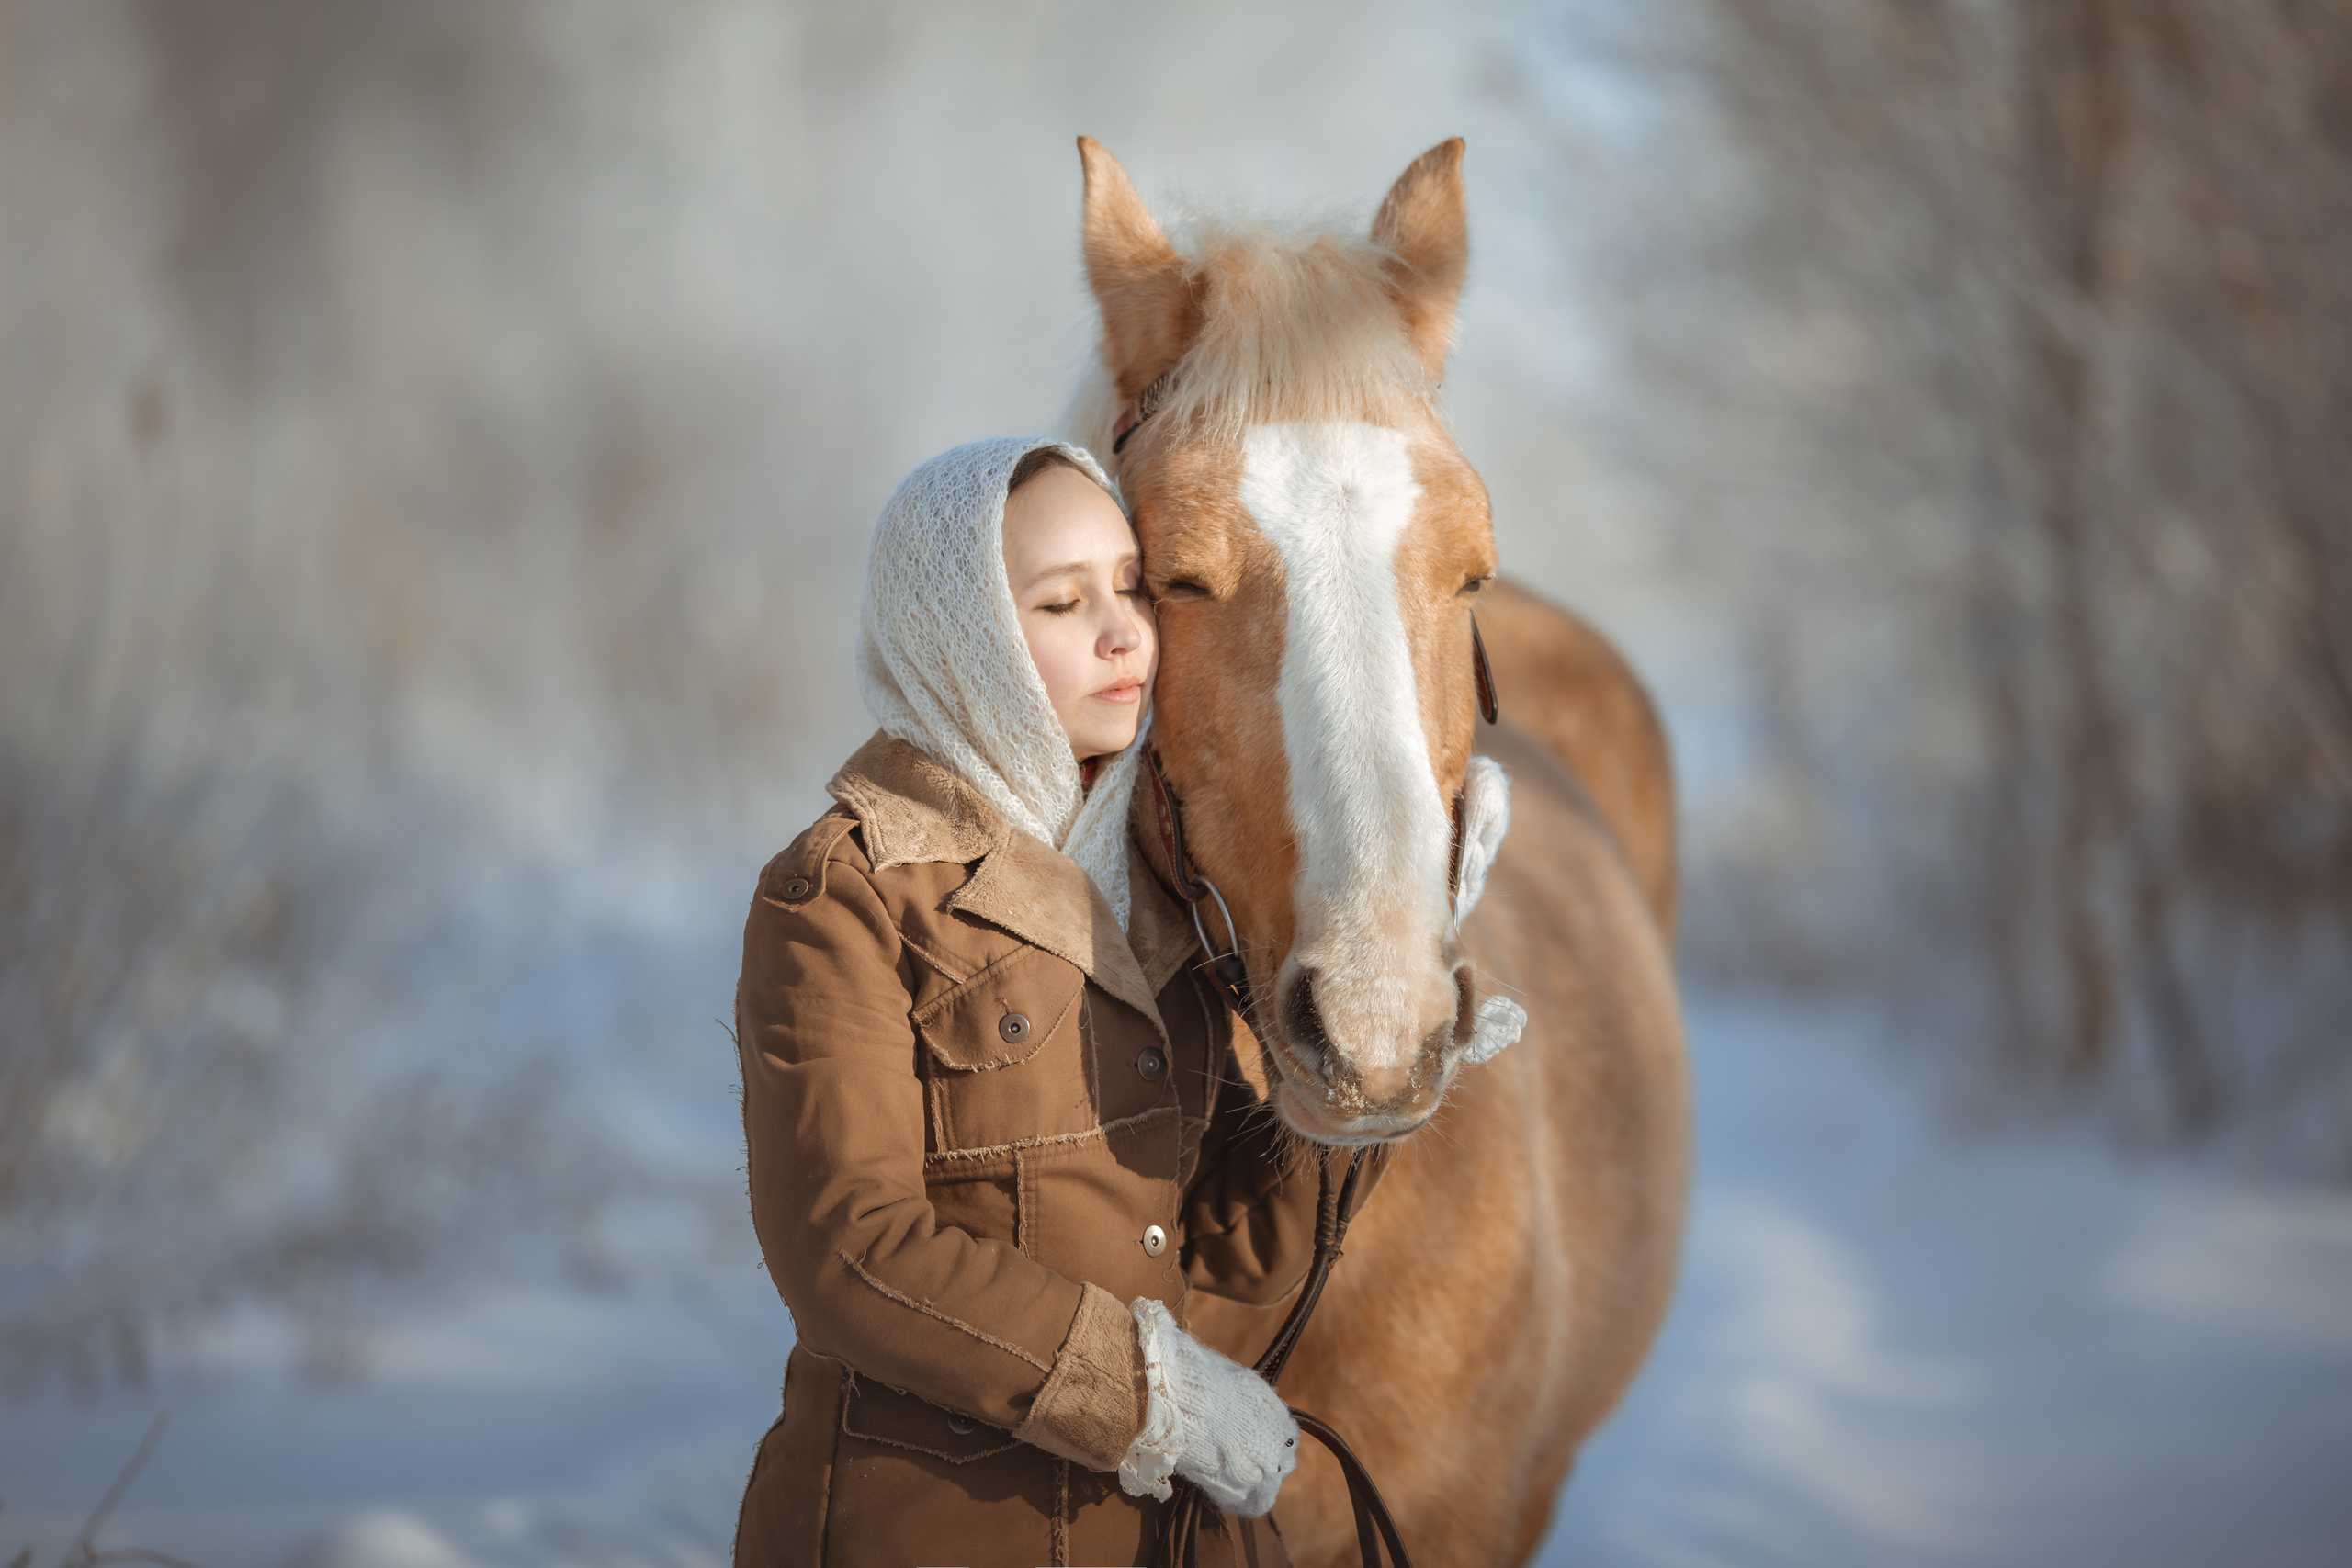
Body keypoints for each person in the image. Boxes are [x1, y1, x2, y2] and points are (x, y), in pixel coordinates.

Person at [731, 437, 1366, 1567]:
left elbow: (1236, 1246)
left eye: (1131, 587)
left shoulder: (1157, 882)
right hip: (931, 1535)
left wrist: (1366, 1050)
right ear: (961, 633)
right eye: (1062, 602)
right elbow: (849, 1253)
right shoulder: (844, 892)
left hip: (1164, 1540)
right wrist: (1151, 1400)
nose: (1124, 631)